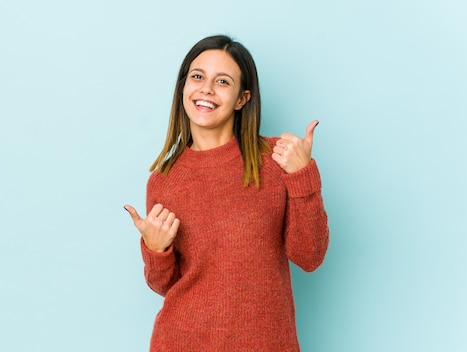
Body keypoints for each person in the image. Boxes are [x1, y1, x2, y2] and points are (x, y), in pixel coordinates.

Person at [124, 34, 329, 352]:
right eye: (197, 76)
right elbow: (165, 285)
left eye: (222, 81)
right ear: (183, 88)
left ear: (242, 98)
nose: (206, 89)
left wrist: (302, 177)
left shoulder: (274, 159)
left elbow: (310, 256)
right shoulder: (164, 181)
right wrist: (155, 250)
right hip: (182, 341)